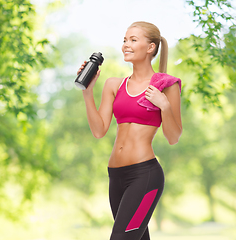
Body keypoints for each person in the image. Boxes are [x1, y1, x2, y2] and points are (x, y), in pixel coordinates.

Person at [77, 21, 182, 240]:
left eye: (133, 40)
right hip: (115, 176)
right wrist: (88, 93)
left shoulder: (166, 86)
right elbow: (99, 131)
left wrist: (164, 105)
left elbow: (173, 137)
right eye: (125, 40)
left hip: (145, 176)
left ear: (151, 47)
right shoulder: (114, 84)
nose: (126, 44)